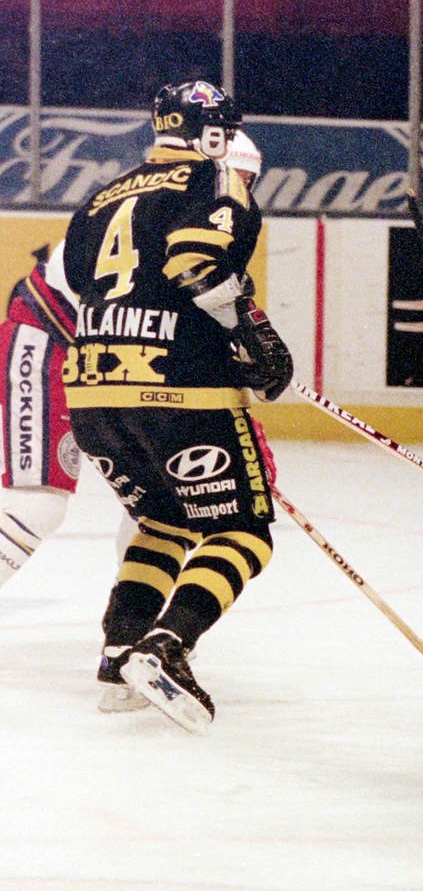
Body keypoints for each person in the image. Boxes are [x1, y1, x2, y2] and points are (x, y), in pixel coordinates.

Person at [60, 79, 293, 733]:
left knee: (163, 520)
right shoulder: (217, 181)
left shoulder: (102, 194)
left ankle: (118, 653)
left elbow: (85, 282)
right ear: (215, 132)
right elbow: (195, 264)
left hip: (95, 388)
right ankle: (168, 645)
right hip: (178, 390)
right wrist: (245, 330)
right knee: (242, 529)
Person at [0, 243, 81, 596]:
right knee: (37, 503)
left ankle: (136, 625)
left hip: (107, 364)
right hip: (48, 346)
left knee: (161, 509)